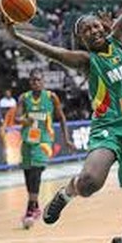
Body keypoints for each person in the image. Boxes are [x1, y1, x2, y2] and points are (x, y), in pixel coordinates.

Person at [0, 0, 122, 243]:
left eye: (96, 25)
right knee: (90, 182)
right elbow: (55, 53)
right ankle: (65, 193)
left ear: (105, 27)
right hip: (109, 129)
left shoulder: (120, 39)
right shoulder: (87, 61)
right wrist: (18, 36)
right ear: (81, 39)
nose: (94, 30)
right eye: (86, 30)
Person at [15, 69, 74, 229]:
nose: (36, 82)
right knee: (28, 175)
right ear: (30, 82)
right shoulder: (24, 98)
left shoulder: (50, 97)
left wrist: (67, 138)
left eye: (39, 80)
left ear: (43, 82)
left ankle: (29, 209)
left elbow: (61, 117)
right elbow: (16, 117)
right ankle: (35, 206)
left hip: (44, 141)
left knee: (36, 172)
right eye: (33, 80)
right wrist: (24, 120)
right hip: (28, 140)